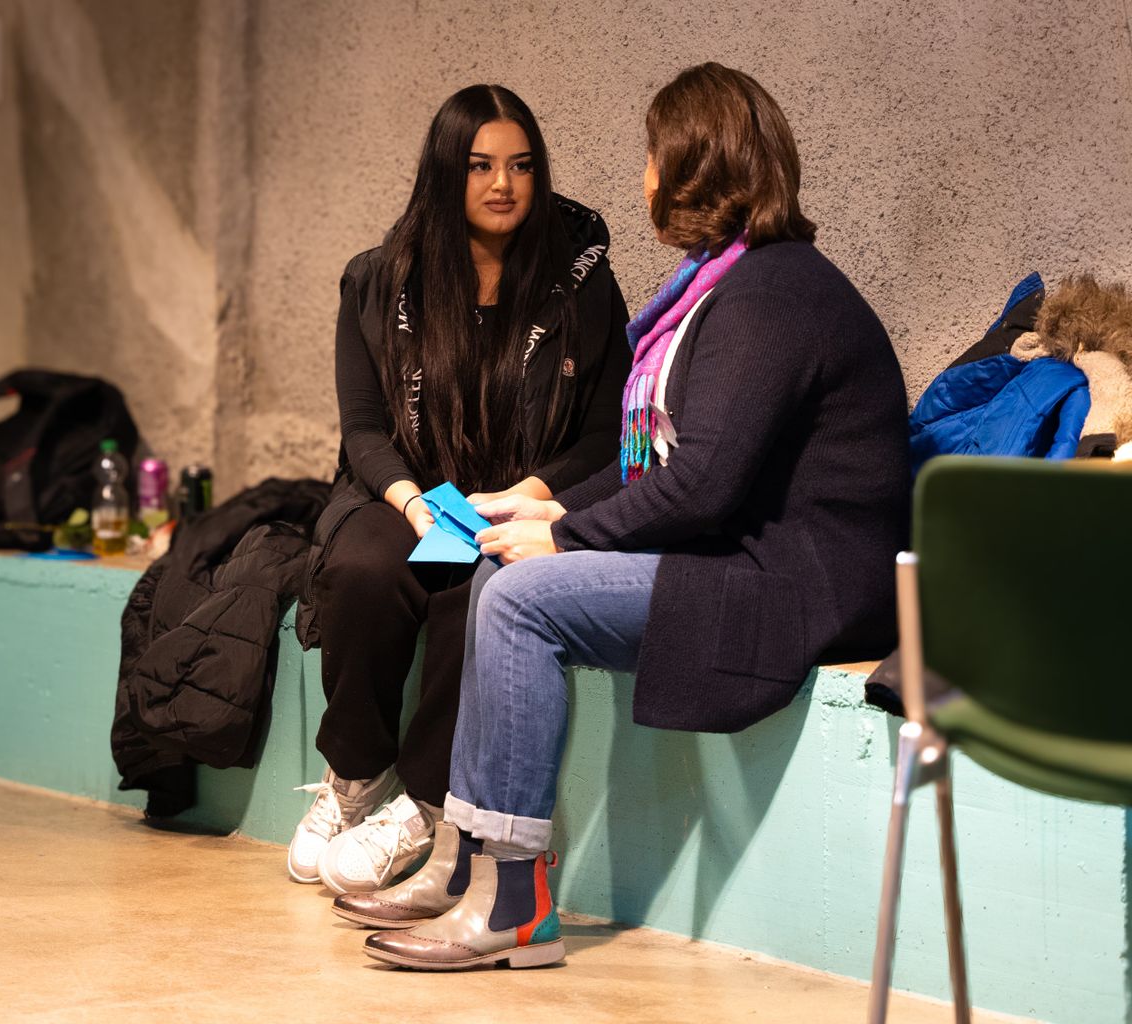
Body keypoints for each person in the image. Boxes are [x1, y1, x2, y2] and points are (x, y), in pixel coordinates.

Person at [333, 62, 912, 969]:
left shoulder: (774, 294)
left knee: (521, 597)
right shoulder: (727, 285)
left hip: (798, 586)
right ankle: (465, 860)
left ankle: (513, 903)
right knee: (498, 569)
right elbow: (669, 466)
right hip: (745, 558)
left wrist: (560, 534)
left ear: (688, 166)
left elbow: (704, 485)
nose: (642, 175)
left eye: (652, 154)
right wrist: (544, 507)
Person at [288, 84, 630, 894]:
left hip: (521, 497)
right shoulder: (378, 282)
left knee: (476, 587)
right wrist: (411, 501)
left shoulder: (580, 285)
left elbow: (603, 433)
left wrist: (528, 492)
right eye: (480, 166)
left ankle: (431, 806)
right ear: (448, 172)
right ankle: (355, 777)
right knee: (366, 570)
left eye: (520, 165)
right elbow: (364, 430)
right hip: (404, 492)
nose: (503, 184)